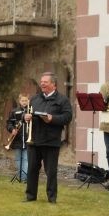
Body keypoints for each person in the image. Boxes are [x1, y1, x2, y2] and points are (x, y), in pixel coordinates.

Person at [23, 72, 72, 203]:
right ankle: (30, 196)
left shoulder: (62, 100)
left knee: (51, 171)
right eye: (42, 81)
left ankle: (52, 198)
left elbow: (67, 117)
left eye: (45, 82)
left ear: (53, 84)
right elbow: (25, 113)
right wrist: (25, 117)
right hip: (34, 140)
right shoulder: (34, 99)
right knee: (32, 169)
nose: (42, 84)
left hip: (51, 141)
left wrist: (52, 118)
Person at [4, 94, 30, 181]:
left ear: (28, 101)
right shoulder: (14, 111)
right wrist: (12, 130)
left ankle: (24, 178)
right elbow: (9, 123)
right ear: (19, 101)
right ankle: (20, 176)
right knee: (18, 159)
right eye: (22, 101)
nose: (24, 102)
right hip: (17, 139)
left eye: (26, 101)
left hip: (27, 139)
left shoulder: (30, 112)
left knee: (26, 159)